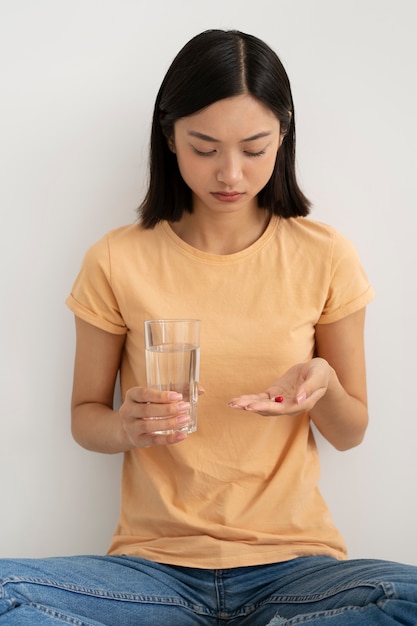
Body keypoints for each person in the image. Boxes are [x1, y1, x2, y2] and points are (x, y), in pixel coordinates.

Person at [1, 28, 416, 626]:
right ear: (169, 137)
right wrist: (125, 424)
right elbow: (84, 417)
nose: (230, 174)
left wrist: (322, 383)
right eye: (204, 148)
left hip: (295, 568)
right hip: (152, 572)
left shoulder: (326, 255)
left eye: (254, 148)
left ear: (284, 135)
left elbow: (350, 433)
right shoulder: (116, 259)